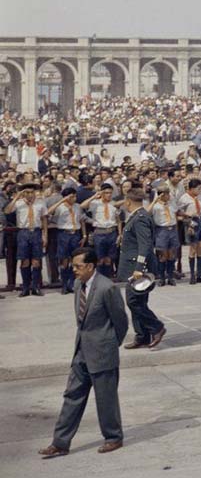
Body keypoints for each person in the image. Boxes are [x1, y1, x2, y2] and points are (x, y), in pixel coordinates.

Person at [38, 246, 129, 459]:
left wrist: (108, 345)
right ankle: (60, 443)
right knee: (72, 396)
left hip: (102, 353)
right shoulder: (79, 285)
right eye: (73, 266)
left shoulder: (107, 288)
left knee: (105, 399)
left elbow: (121, 322)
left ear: (90, 266)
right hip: (81, 352)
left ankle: (113, 437)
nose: (74, 270)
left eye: (78, 266)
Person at [117, 188, 166, 350]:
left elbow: (145, 244)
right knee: (138, 301)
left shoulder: (140, 218)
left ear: (128, 201)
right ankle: (142, 336)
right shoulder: (138, 216)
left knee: (133, 301)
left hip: (137, 268)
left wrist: (139, 267)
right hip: (133, 265)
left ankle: (157, 327)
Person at [5, 181, 48, 296]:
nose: (30, 195)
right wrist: (17, 197)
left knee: (36, 260)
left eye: (32, 192)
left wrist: (45, 235)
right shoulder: (19, 203)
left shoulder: (40, 203)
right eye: (27, 192)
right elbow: (7, 211)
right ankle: (25, 287)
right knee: (24, 260)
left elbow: (44, 219)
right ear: (24, 193)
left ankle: (35, 287)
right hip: (23, 232)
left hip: (36, 231)